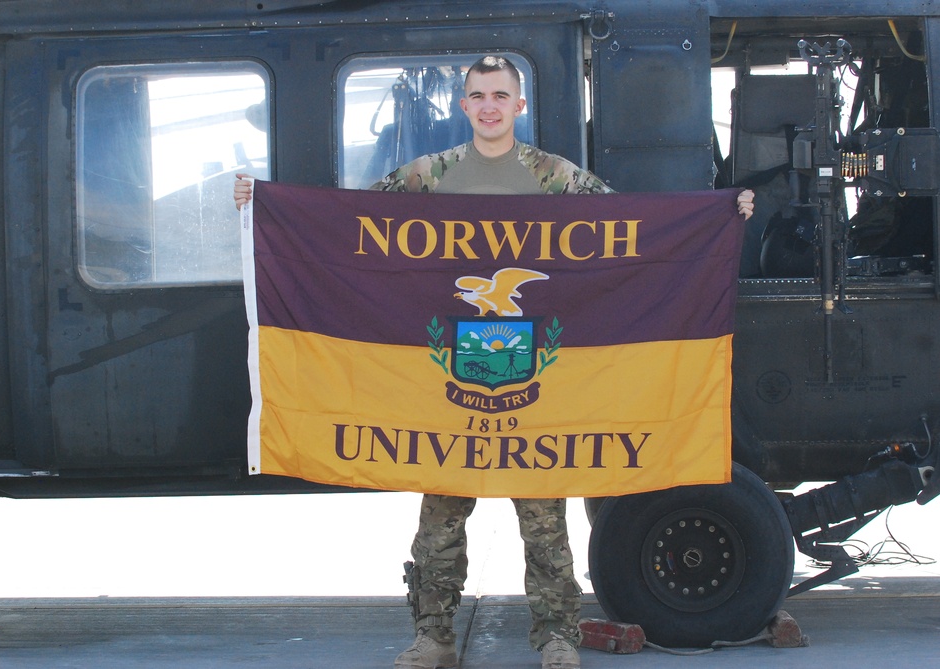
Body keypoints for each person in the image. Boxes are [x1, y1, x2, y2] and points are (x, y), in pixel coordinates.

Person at [235, 55, 754, 669]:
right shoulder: (430, 175)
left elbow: (637, 229)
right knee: (439, 524)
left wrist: (721, 215)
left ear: (519, 105)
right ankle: (434, 637)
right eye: (479, 96)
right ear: (464, 105)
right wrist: (263, 204)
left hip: (538, 389)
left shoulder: (553, 176)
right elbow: (343, 223)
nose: (489, 106)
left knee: (545, 524)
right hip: (444, 388)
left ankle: (557, 637)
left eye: (500, 96)